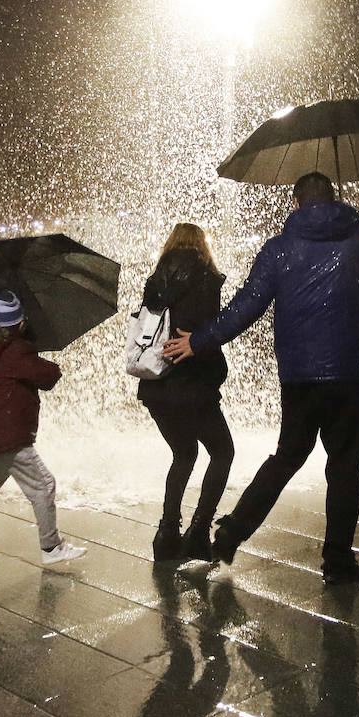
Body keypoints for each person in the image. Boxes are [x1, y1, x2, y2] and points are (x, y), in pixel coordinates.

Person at [164, 171, 359, 585]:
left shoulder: (279, 250)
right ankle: (337, 561)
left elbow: (246, 306)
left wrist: (200, 341)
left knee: (286, 457)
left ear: (296, 204)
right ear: (333, 199)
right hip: (349, 376)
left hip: (300, 379)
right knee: (345, 470)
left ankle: (233, 531)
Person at [0, 289, 87, 564]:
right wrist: (43, 356)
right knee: (44, 485)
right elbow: (47, 376)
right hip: (10, 434)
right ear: (20, 325)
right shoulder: (17, 350)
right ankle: (51, 547)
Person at [138, 222, 233, 563]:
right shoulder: (207, 279)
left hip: (155, 387)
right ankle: (198, 531)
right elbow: (205, 334)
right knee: (223, 452)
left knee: (184, 454)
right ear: (201, 245)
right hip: (192, 385)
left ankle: (166, 534)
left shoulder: (155, 281)